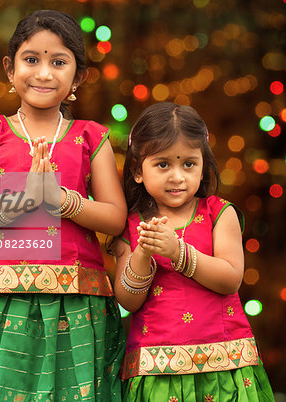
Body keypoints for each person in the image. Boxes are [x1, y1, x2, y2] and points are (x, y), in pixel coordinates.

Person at [0, 10, 127, 401]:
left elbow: (115, 218)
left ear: (77, 77)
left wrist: (61, 201)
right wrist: (24, 200)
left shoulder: (90, 137)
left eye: (58, 62)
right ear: (10, 69)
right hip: (2, 302)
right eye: (32, 60)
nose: (44, 73)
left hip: (78, 303)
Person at [114, 102, 275, 401]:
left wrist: (178, 252)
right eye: (163, 164)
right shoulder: (131, 223)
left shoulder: (218, 212)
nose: (177, 176)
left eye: (188, 164)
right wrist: (142, 255)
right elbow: (128, 301)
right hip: (157, 371)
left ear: (203, 167)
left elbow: (230, 279)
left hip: (224, 365)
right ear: (138, 170)